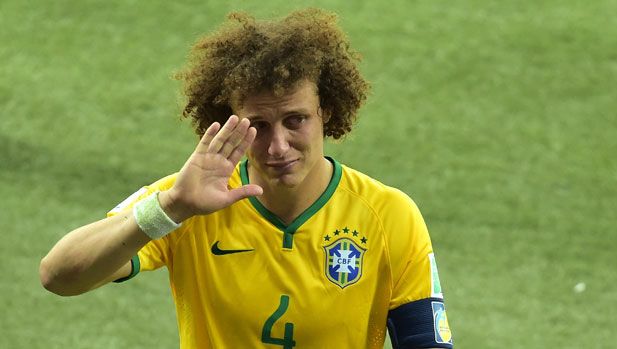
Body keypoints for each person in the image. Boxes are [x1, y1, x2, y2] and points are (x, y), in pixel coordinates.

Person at [40, 8, 453, 349]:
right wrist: (170, 208)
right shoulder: (185, 201)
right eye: (259, 125)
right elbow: (59, 276)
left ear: (326, 111)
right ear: (227, 122)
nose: (278, 147)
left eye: (296, 121)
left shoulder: (389, 215)